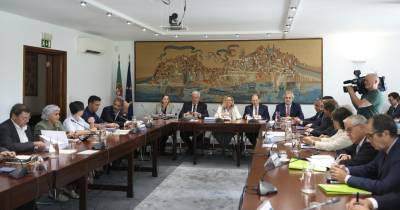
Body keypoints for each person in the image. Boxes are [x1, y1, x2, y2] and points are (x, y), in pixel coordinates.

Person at [330, 114, 400, 195]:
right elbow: (369, 168)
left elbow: (384, 186)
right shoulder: (384, 149)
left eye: (370, 136)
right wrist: (346, 170)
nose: (368, 141)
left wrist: (347, 178)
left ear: (386, 134)